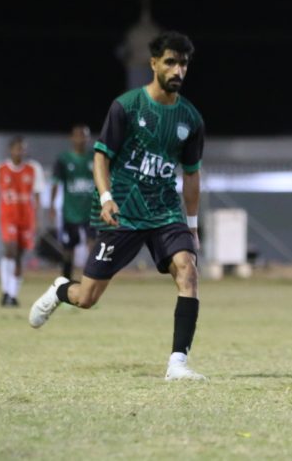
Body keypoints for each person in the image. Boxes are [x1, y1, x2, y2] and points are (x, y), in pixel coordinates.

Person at [29, 31, 207, 382]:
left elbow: (191, 175)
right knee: (87, 298)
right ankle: (61, 289)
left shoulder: (191, 119)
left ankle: (177, 363)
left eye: (183, 64)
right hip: (123, 211)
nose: (178, 70)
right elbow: (101, 157)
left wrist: (192, 224)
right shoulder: (127, 106)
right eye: (170, 62)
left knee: (188, 271)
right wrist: (106, 197)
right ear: (153, 63)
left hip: (165, 211)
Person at [0, 137, 45, 307]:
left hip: (26, 218)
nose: (20, 152)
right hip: (8, 217)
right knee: (10, 251)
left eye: (23, 149)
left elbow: (38, 196)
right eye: (17, 149)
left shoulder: (33, 168)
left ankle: (12, 294)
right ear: (10, 150)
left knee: (19, 256)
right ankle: (5, 291)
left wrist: (38, 219)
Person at [49, 124, 96, 280]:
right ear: (72, 138)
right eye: (78, 135)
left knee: (93, 246)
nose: (81, 139)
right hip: (70, 212)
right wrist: (52, 206)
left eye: (84, 135)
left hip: (91, 211)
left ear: (88, 138)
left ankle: (90, 282)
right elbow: (55, 183)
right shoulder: (64, 159)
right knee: (68, 249)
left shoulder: (94, 158)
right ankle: (66, 282)